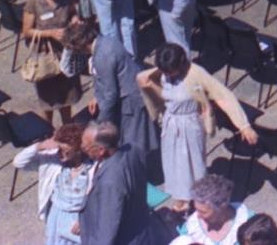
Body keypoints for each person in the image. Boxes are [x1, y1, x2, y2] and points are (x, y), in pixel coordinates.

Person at [139, 43, 256, 211]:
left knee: (193, 163)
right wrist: (152, 88)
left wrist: (244, 125)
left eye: (169, 71)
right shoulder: (162, 72)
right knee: (173, 162)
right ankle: (181, 196)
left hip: (190, 123)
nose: (166, 74)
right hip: (171, 122)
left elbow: (223, 95)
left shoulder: (196, 73)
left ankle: (199, 199)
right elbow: (145, 81)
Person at [23, 0, 88, 125]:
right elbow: (26, 32)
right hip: (46, 58)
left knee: (66, 101)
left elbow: (73, 13)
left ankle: (68, 134)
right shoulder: (34, 3)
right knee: (48, 104)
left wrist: (74, 20)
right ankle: (47, 135)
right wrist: (50, 33)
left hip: (66, 55)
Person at [77, 121, 157, 245]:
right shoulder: (133, 150)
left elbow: (108, 227)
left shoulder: (110, 181)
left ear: (101, 150)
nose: (82, 148)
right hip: (140, 227)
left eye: (86, 147)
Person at [15, 122, 94, 245]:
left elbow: (99, 198)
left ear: (78, 149)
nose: (60, 153)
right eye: (59, 149)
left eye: (65, 150)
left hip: (76, 218)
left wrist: (86, 219)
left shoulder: (92, 168)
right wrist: (39, 146)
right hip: (56, 215)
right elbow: (18, 163)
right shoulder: (52, 161)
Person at [90, 27, 153, 160]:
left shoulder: (102, 56)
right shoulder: (107, 40)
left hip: (131, 102)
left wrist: (100, 124)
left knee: (133, 145)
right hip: (131, 95)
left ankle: (139, 176)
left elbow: (110, 94)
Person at [171, 172, 253, 245]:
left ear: (222, 208)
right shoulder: (191, 229)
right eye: (196, 209)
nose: (197, 216)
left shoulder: (249, 225)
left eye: (203, 212)